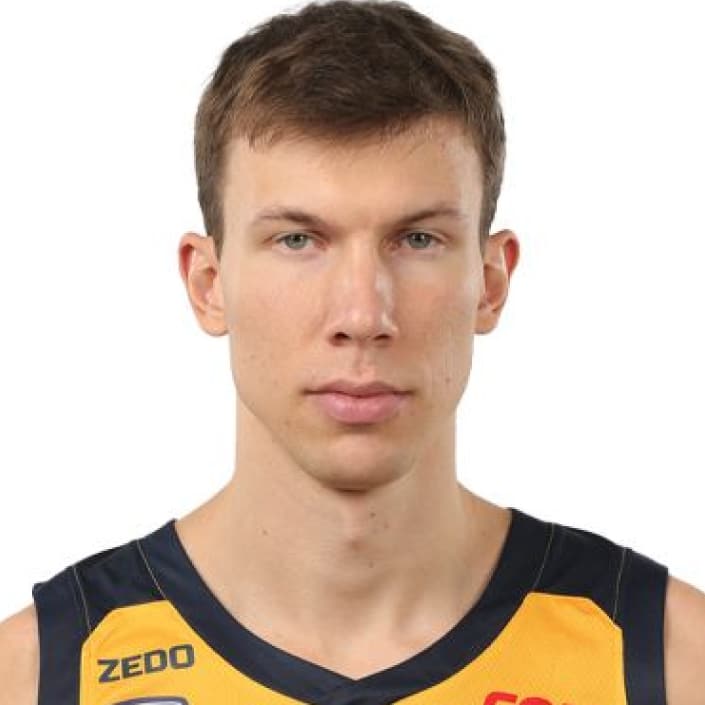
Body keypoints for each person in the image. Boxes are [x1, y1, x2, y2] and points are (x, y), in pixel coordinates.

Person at [1, 1, 703, 704]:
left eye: (418, 239)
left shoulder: (671, 660)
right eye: (297, 240)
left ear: (490, 284)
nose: (363, 315)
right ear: (208, 284)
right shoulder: (39, 673)